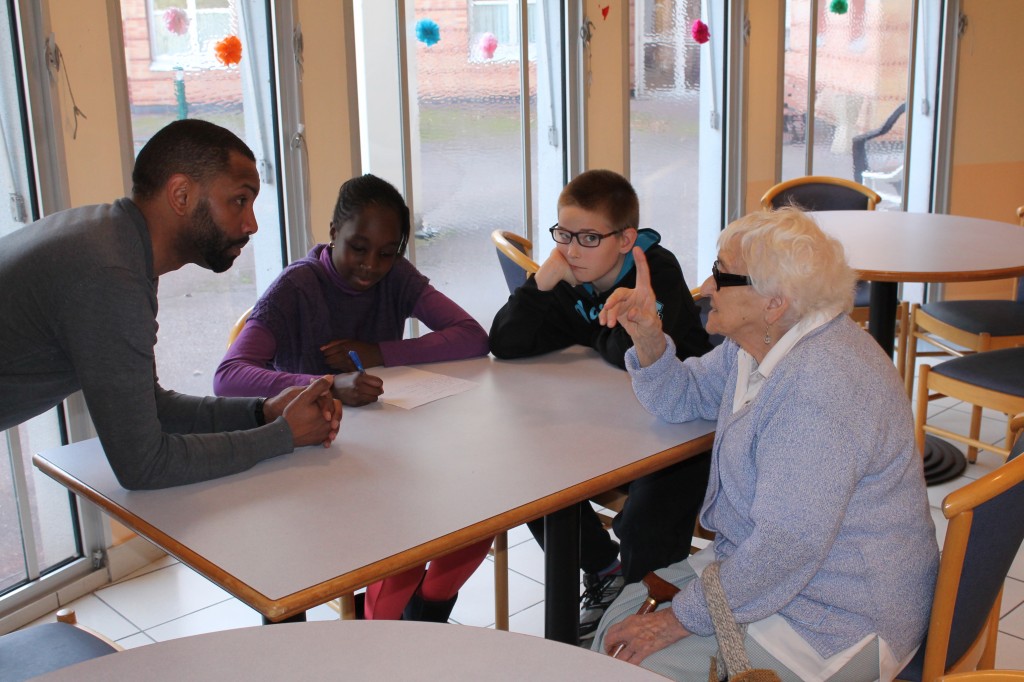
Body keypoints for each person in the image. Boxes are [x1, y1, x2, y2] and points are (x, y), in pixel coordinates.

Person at [593, 207, 938, 681]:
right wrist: (650, 337)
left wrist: (679, 620)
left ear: (773, 302)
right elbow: (684, 396)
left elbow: (786, 545)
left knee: (628, 664)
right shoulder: (757, 346)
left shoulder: (820, 387)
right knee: (617, 624)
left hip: (837, 617)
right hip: (781, 575)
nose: (706, 286)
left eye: (720, 274)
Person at [0, 119, 341, 492]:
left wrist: (262, 411)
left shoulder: (117, 242)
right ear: (181, 195)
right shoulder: (110, 275)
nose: (252, 223)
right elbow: (145, 465)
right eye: (239, 200)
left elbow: (150, 407)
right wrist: (281, 436)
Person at [214, 173, 491, 623]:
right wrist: (324, 383)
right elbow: (228, 378)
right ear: (332, 234)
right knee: (406, 544)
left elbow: (472, 337)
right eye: (358, 248)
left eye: (388, 252)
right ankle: (365, 631)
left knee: (473, 519)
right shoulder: (296, 288)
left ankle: (423, 621)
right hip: (305, 466)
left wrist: (380, 353)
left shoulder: (396, 277)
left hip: (380, 456)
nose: (371, 265)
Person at [488, 169, 713, 645]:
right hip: (610, 419)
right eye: (564, 235)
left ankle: (641, 610)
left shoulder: (657, 270)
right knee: (528, 481)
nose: (572, 250)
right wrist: (540, 283)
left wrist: (595, 333)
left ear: (626, 238)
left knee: (646, 521)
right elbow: (505, 342)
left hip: (685, 427)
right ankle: (605, 569)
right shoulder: (570, 278)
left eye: (590, 237)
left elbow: (632, 353)